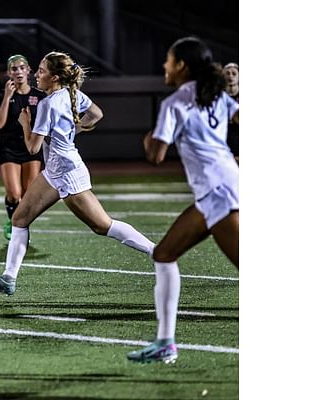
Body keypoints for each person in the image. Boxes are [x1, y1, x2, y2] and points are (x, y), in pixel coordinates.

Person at [0, 51, 155, 296]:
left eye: (42, 70)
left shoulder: (47, 104)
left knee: (102, 226)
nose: (37, 74)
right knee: (19, 219)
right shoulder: (71, 94)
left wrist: (26, 123)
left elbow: (32, 148)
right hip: (54, 171)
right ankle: (8, 278)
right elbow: (96, 115)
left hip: (68, 171)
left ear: (55, 77)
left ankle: (156, 251)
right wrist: (71, 131)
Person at [126, 37, 239, 364]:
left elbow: (155, 156)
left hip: (219, 193)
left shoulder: (174, 103)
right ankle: (165, 342)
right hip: (218, 190)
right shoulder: (215, 94)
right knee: (164, 254)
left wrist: (147, 137)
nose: (164, 65)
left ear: (182, 66)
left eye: (169, 60)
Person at [0, 54, 47, 240]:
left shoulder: (39, 95)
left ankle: (21, 225)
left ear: (29, 70)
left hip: (31, 147)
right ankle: (13, 222)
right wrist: (7, 96)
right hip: (9, 148)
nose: (19, 71)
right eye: (14, 68)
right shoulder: (2, 94)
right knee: (14, 194)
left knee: (28, 193)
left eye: (22, 67)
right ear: (9, 73)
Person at [223, 62, 239, 161]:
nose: (230, 76)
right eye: (227, 73)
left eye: (234, 73)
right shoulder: (218, 96)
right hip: (224, 136)